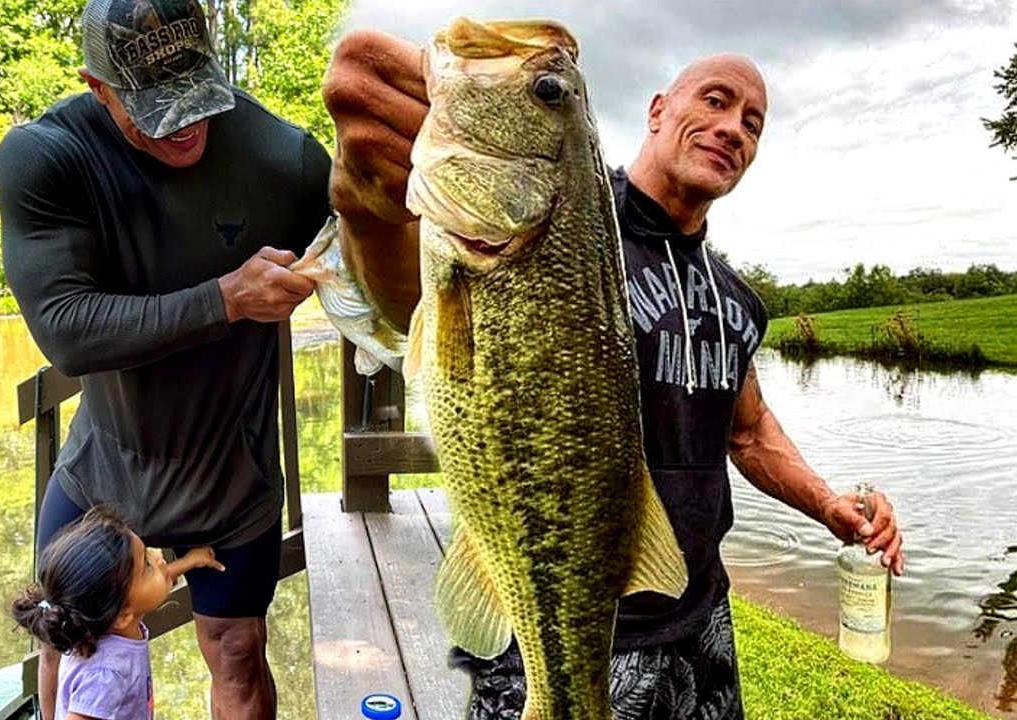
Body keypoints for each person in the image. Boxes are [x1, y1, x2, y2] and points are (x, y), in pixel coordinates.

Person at [321, 30, 907, 720]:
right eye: (715, 101)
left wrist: (827, 504)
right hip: (560, 621)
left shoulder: (734, 295)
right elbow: (406, 307)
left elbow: (747, 432)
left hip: (700, 617)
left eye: (752, 123)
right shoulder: (563, 223)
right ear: (657, 110)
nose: (732, 128)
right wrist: (368, 210)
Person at [0, 0, 331, 714]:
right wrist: (227, 299)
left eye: (196, 95)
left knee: (238, 650)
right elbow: (67, 330)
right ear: (98, 88)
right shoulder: (47, 157)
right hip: (101, 476)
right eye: (154, 106)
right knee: (63, 643)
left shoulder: (286, 161)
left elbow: (376, 270)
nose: (184, 124)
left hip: (231, 480)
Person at [11, 506, 225, 720]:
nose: (158, 558)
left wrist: (190, 561)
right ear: (122, 616)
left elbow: (153, 583)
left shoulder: (102, 622)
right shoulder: (106, 675)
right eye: (147, 564)